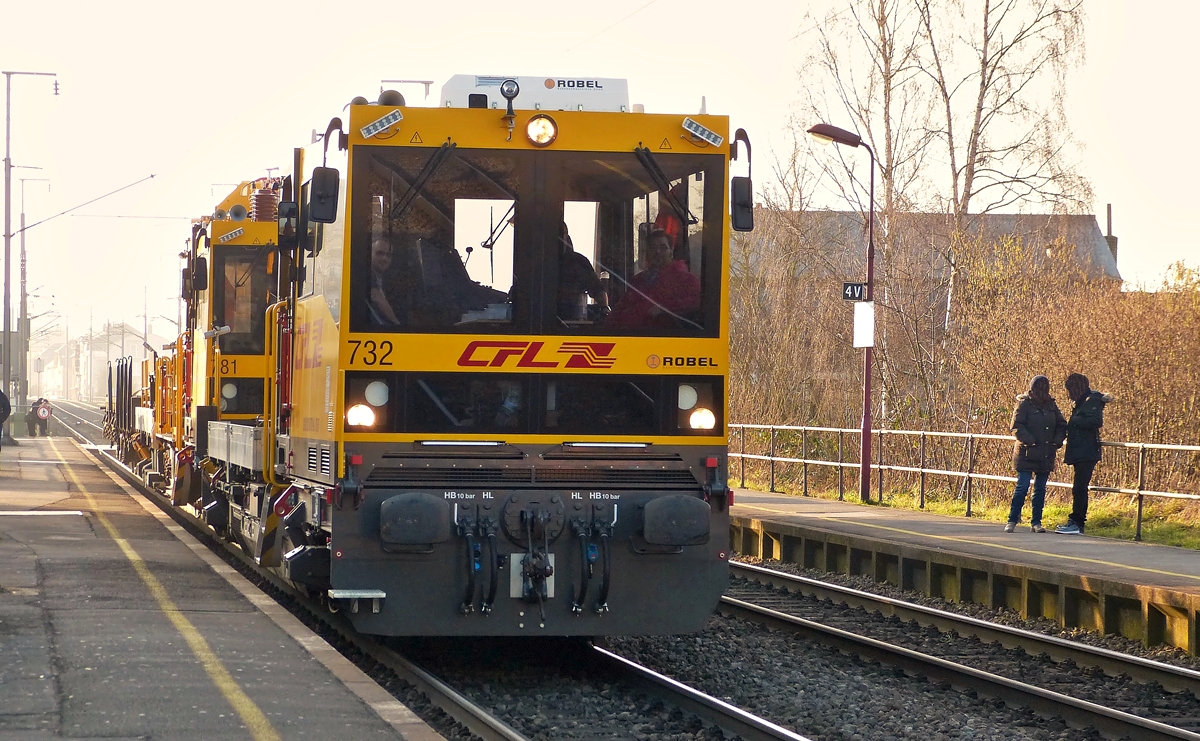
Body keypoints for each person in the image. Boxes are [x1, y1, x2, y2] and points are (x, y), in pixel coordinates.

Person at [605, 226, 701, 330]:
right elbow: (621, 307)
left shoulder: (686, 280)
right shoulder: (638, 280)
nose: (658, 252)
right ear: (646, 252)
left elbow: (694, 303)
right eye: (653, 248)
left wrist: (664, 309)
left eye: (663, 247)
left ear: (671, 251)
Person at [1005, 375, 1066, 533]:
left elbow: (1061, 424)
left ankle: (1036, 522)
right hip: (1026, 453)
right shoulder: (1024, 404)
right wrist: (1030, 441)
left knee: (1040, 489)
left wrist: (1057, 441)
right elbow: (1016, 426)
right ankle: (1012, 519)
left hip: (1045, 453)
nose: (1043, 391)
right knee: (1022, 486)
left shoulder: (1051, 405)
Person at [1056, 373, 1113, 535]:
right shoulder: (1083, 401)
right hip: (1080, 449)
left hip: (1086, 450)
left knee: (1080, 488)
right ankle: (1075, 520)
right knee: (1078, 487)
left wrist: (1074, 422)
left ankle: (1077, 522)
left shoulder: (1091, 401)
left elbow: (1096, 421)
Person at [557, 223, 608, 321]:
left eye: (561, 234)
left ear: (566, 237)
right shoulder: (529, 263)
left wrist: (604, 309)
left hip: (572, 322)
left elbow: (598, 290)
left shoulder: (578, 262)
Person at [368, 236, 403, 326]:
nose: (384, 258)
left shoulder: (385, 279)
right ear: (370, 254)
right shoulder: (368, 274)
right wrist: (399, 326)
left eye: (388, 255)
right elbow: (379, 300)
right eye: (379, 253)